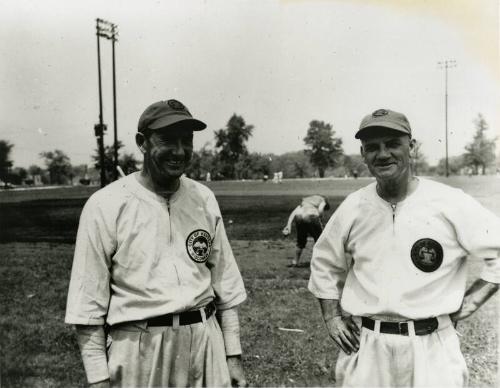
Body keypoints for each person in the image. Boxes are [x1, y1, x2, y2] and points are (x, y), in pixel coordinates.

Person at [308, 108, 500, 387]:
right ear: (363, 155)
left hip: (432, 346)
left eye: (393, 144)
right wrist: (332, 316)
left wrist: (471, 302)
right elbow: (325, 262)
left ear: (412, 147)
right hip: (368, 345)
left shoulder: (449, 202)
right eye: (372, 147)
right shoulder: (354, 206)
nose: (383, 154)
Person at [65, 99, 248, 387]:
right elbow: (87, 306)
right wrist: (98, 378)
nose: (179, 151)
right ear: (142, 142)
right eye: (167, 140)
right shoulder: (106, 205)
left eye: (186, 140)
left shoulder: (203, 198)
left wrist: (233, 355)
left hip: (204, 340)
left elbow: (226, 284)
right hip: (140, 347)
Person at [282, 194, 330, 267]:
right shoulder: (323, 200)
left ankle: (295, 261)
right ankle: (320, 262)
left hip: (299, 216)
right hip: (311, 216)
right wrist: (320, 218)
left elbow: (294, 212)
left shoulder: (306, 200)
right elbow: (320, 210)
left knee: (301, 241)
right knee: (320, 240)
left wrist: (288, 225)